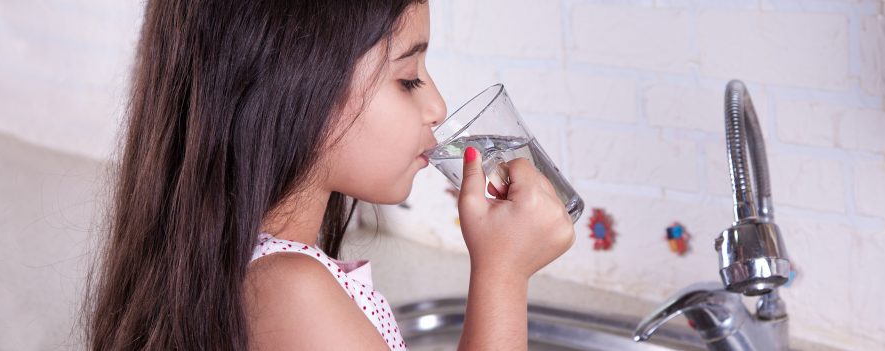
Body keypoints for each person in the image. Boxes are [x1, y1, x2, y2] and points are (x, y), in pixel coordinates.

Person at [83, 1, 575, 349]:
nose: (437, 106)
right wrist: (503, 276)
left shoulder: (265, 275)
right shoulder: (284, 291)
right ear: (295, 86)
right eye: (407, 79)